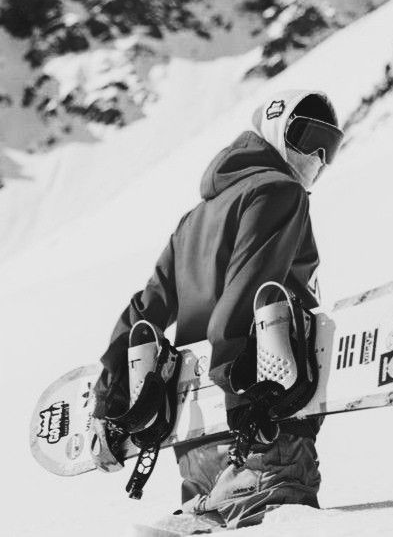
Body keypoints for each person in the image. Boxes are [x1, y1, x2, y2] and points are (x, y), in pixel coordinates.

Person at [90, 88, 344, 532]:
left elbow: (144, 313)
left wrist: (109, 398)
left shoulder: (193, 220)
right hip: (262, 416)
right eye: (308, 138)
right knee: (280, 515)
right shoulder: (280, 191)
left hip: (194, 436)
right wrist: (244, 396)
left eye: (331, 146)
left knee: (213, 525)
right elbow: (250, 287)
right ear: (275, 131)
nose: (318, 157)